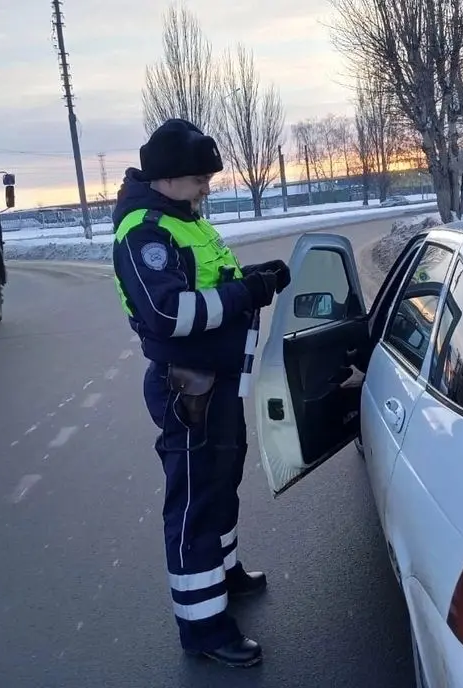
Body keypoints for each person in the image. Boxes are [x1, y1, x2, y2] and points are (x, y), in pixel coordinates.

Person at [111, 118, 291, 668]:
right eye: (199, 178)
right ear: (167, 178)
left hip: (218, 385)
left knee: (220, 484)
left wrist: (252, 278)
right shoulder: (145, 233)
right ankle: (204, 627)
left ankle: (223, 571)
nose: (207, 187)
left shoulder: (185, 220)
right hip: (187, 388)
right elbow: (169, 313)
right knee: (193, 503)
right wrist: (247, 292)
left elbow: (214, 284)